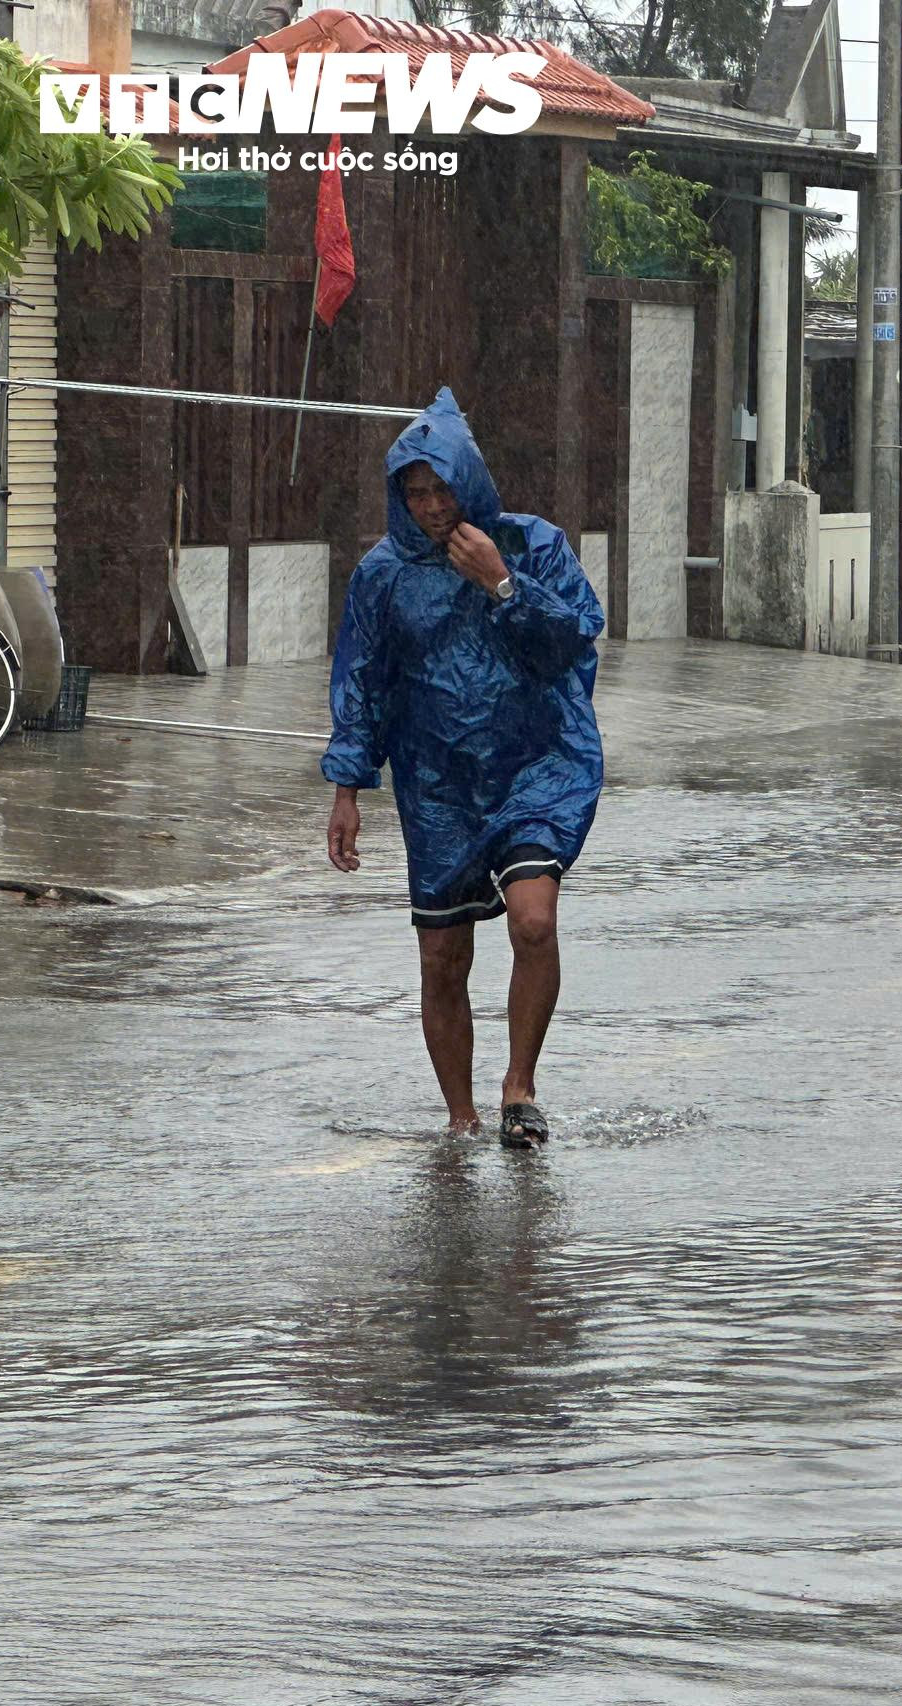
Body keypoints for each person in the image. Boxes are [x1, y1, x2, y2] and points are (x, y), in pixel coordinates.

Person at [321, 388, 606, 1148]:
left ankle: (519, 1088)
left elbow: (575, 640)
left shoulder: (531, 547)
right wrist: (348, 790)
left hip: (534, 764)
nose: (431, 507)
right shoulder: (383, 575)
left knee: (534, 921)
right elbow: (362, 682)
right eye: (415, 493)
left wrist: (500, 584)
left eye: (442, 489)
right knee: (444, 956)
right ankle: (461, 1116)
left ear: (470, 483)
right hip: (438, 780)